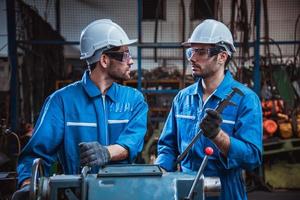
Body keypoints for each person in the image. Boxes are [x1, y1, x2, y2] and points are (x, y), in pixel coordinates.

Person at [12, 19, 148, 199]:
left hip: (124, 193)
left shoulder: (134, 99)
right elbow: (36, 154)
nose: (130, 61)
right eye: (124, 54)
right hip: (77, 193)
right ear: (104, 60)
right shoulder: (62, 101)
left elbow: (132, 143)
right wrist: (28, 186)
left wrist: (106, 152)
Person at [155, 19, 262, 200]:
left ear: (222, 56)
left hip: (226, 189)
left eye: (201, 52)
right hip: (184, 186)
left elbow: (252, 157)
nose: (192, 57)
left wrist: (218, 137)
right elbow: (168, 146)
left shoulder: (246, 100)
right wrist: (160, 175)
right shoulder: (183, 98)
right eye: (191, 50)